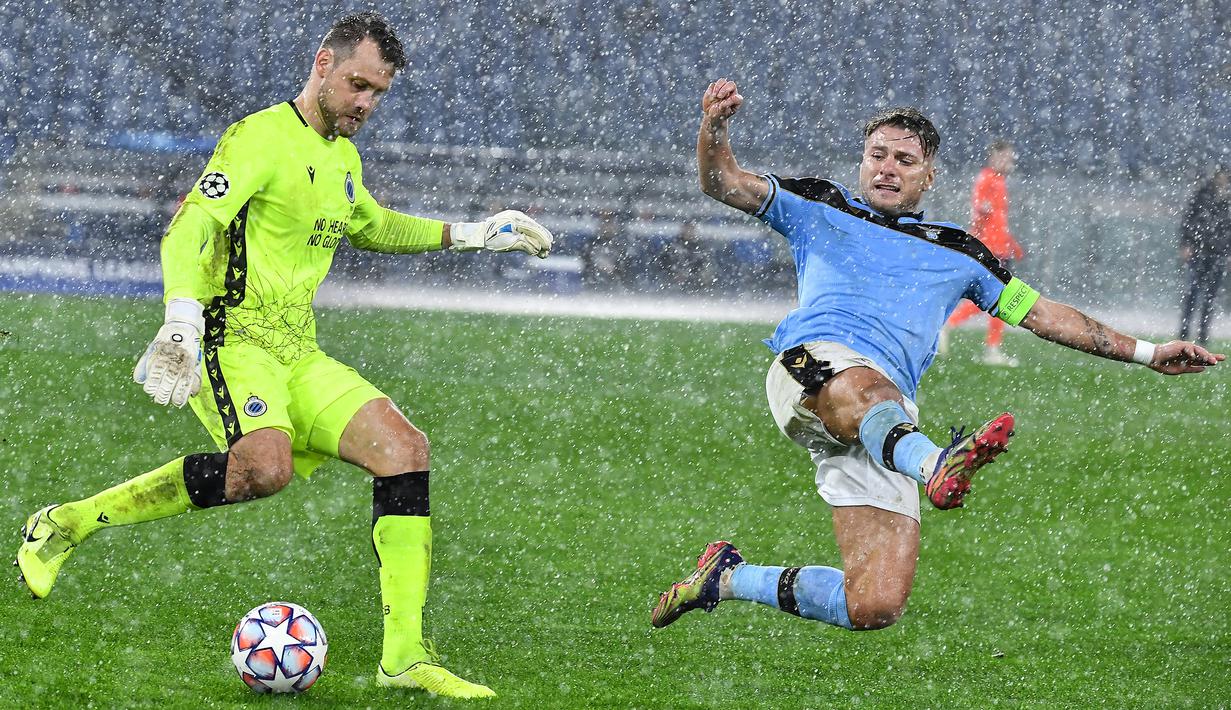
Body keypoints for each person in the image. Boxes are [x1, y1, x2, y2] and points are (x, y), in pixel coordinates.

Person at [15, 12, 553, 699]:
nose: (365, 102)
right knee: (263, 470)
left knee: (403, 449)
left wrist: (473, 233)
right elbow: (187, 229)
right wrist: (181, 320)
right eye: (358, 84)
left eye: (378, 93)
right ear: (322, 64)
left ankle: (405, 658)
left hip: (298, 349)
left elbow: (372, 223)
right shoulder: (258, 138)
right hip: (231, 340)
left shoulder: (342, 158)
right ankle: (65, 524)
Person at [651, 79, 1222, 634]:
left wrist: (1148, 352)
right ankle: (935, 465)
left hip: (884, 419)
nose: (887, 167)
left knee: (873, 603)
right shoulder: (818, 204)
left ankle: (725, 578)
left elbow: (1044, 314)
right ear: (861, 162)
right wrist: (714, 126)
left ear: (929, 175)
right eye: (877, 154)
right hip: (811, 368)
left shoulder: (962, 252)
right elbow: (721, 180)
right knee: (869, 390)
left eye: (904, 159)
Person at [941, 139, 1025, 365]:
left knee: (1000, 299)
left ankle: (988, 346)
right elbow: (979, 210)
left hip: (999, 247)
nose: (1009, 162)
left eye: (1010, 157)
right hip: (991, 248)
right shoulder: (987, 179)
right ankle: (959, 329)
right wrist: (978, 227)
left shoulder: (998, 180)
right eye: (1005, 157)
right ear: (994, 157)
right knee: (1000, 298)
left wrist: (1011, 244)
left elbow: (997, 218)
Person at [1178, 168, 1231, 345]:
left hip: (1218, 253)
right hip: (1200, 251)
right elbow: (1188, 220)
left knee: (1210, 296)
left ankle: (1203, 333)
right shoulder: (1201, 194)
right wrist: (1187, 243)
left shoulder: (1227, 199)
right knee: (1193, 292)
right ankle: (1184, 331)